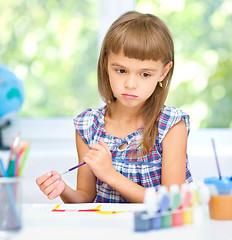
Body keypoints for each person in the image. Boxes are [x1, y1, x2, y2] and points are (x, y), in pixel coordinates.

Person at [36, 11, 192, 203]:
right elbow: (85, 198)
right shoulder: (88, 126)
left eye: (145, 74)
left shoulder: (171, 126)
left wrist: (110, 174)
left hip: (156, 232)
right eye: (121, 70)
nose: (130, 84)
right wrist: (63, 189)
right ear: (105, 64)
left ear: (163, 72)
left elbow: (172, 201)